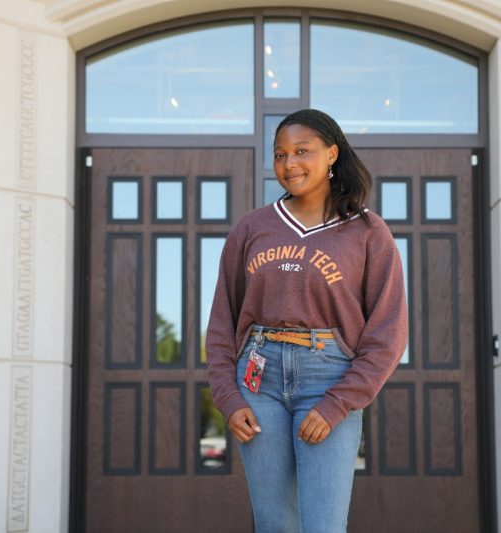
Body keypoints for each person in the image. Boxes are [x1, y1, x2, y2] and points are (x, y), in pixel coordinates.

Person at [206, 108, 409, 532]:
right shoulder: (252, 228)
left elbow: (388, 333)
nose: (289, 164)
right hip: (258, 380)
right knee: (274, 523)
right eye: (280, 155)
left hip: (329, 378)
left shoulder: (367, 231)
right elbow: (223, 321)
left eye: (302, 151)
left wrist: (339, 402)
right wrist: (229, 397)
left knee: (323, 524)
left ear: (332, 154)